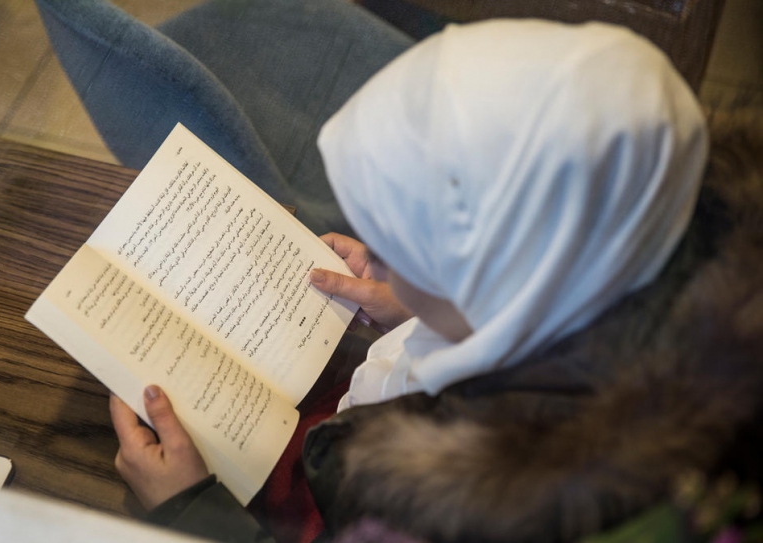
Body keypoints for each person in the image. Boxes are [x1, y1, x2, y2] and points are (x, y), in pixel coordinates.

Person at [109, 18, 763, 543]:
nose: (378, 264)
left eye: (399, 252)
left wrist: (193, 515)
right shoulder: (677, 216)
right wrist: (442, 305)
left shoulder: (453, 513)